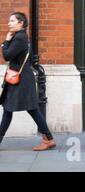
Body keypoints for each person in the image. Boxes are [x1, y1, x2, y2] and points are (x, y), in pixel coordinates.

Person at [0, 12, 56, 150]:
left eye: (12, 20)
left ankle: (49, 139)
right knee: (14, 109)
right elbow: (30, 59)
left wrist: (5, 42)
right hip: (22, 79)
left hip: (21, 81)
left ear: (21, 23)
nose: (9, 23)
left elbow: (7, 56)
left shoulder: (19, 38)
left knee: (28, 109)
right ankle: (49, 139)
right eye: (9, 20)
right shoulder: (22, 37)